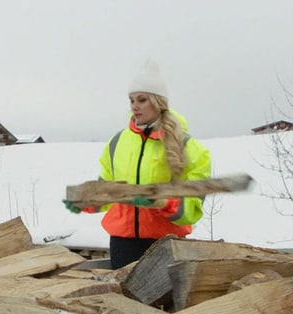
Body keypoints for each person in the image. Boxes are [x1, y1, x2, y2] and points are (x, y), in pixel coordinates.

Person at [63, 60, 211, 269]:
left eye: (142, 99)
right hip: (122, 244)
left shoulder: (188, 146)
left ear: (158, 102)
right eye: (131, 100)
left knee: (160, 302)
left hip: (164, 244)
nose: (134, 106)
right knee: (122, 301)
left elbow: (193, 206)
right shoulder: (117, 143)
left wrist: (164, 202)